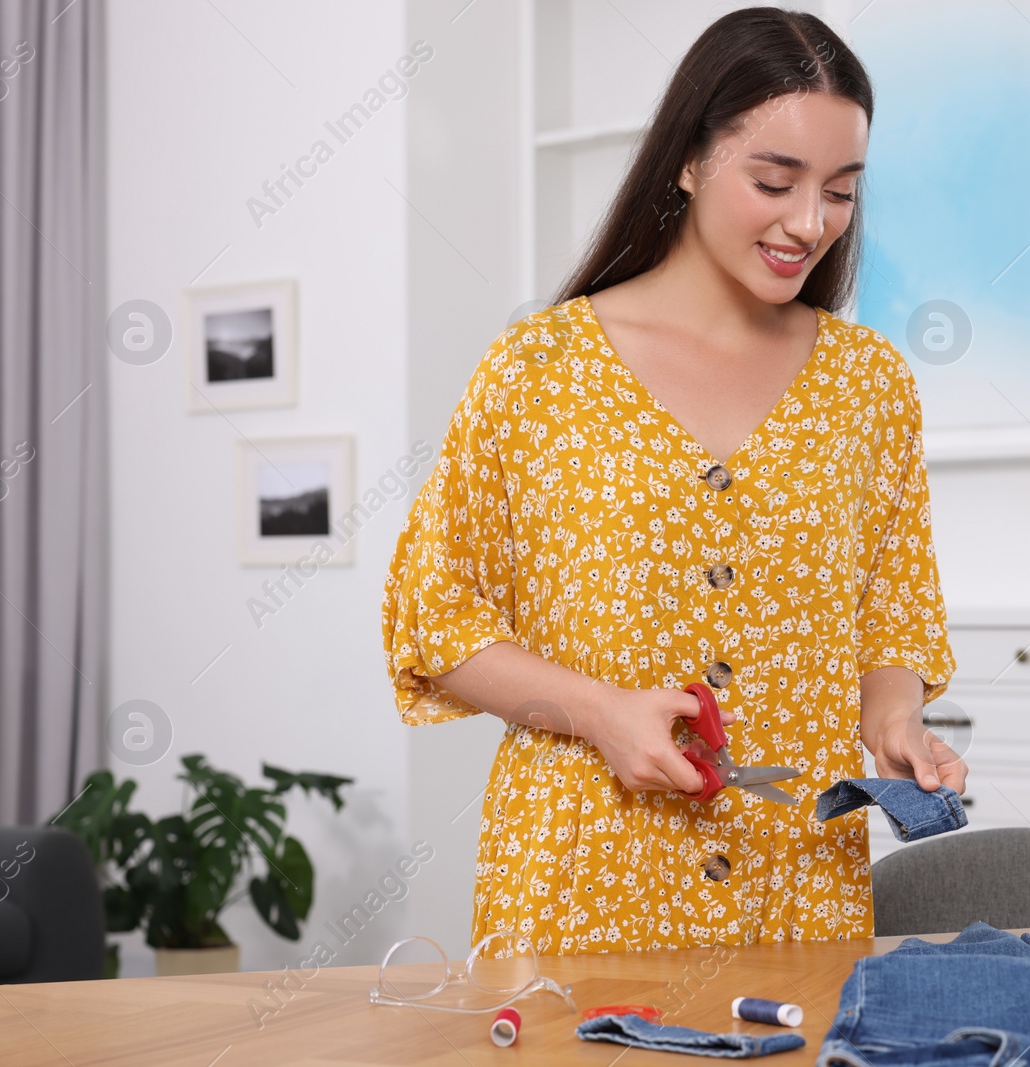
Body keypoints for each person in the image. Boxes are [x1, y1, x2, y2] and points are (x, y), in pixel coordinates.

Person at [381, 6, 963, 957]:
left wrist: (895, 719)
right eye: (774, 180)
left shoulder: (870, 384)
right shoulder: (539, 369)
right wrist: (601, 713)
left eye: (842, 192)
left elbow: (890, 613)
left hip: (797, 881)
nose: (808, 223)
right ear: (688, 160)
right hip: (580, 884)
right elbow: (433, 619)